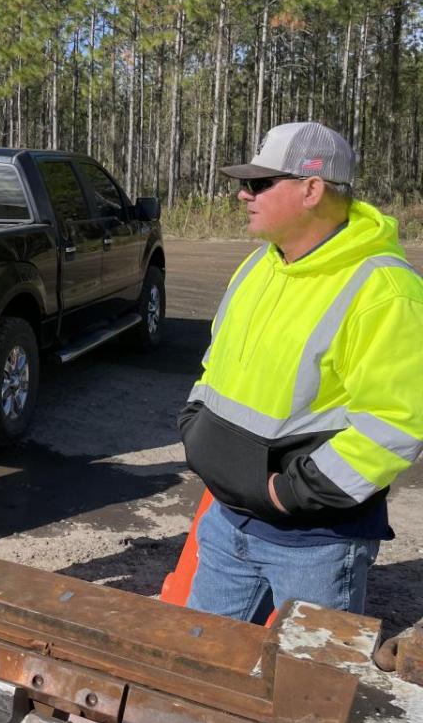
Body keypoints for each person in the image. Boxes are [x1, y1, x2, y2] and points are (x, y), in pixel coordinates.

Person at [181, 121, 423, 622]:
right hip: (227, 522)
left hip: (314, 544)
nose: (242, 194)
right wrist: (195, 424)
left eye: (260, 183)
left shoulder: (384, 291)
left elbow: (395, 424)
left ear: (312, 189)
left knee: (304, 687)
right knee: (201, 669)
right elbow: (215, 363)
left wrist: (292, 493)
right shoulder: (258, 265)